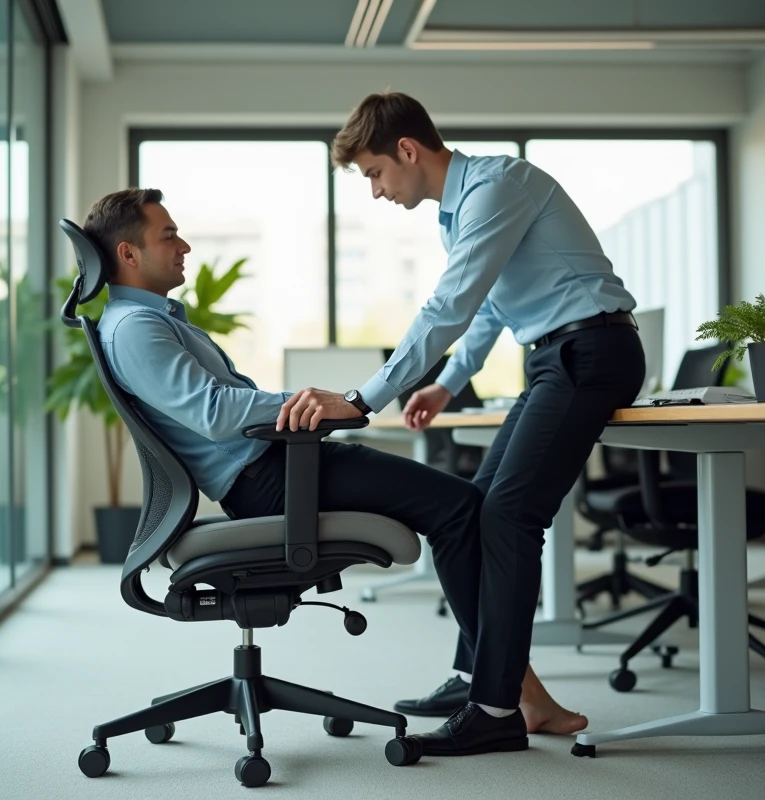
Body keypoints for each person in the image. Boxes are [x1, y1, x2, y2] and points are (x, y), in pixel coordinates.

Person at [87, 188, 580, 751]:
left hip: (274, 465)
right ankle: (511, 695)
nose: (185, 245)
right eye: (168, 235)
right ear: (128, 254)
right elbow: (212, 412)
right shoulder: (135, 328)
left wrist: (302, 406)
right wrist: (309, 404)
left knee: (462, 508)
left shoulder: (145, 321)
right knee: (463, 509)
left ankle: (497, 684)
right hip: (269, 476)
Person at [275, 92, 646, 757]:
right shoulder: (462, 210)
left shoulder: (500, 185)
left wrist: (365, 398)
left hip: (592, 352)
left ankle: (498, 708)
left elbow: (452, 300)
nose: (376, 191)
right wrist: (446, 383)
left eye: (374, 174)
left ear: (407, 151)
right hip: (555, 356)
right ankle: (481, 675)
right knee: (476, 507)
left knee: (509, 516)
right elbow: (489, 310)